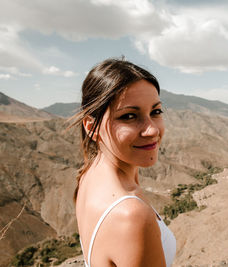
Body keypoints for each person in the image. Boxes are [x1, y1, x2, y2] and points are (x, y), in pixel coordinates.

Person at [71, 58, 176, 267]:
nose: (152, 130)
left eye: (156, 112)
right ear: (91, 127)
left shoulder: (89, 175)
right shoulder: (131, 215)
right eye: (129, 116)